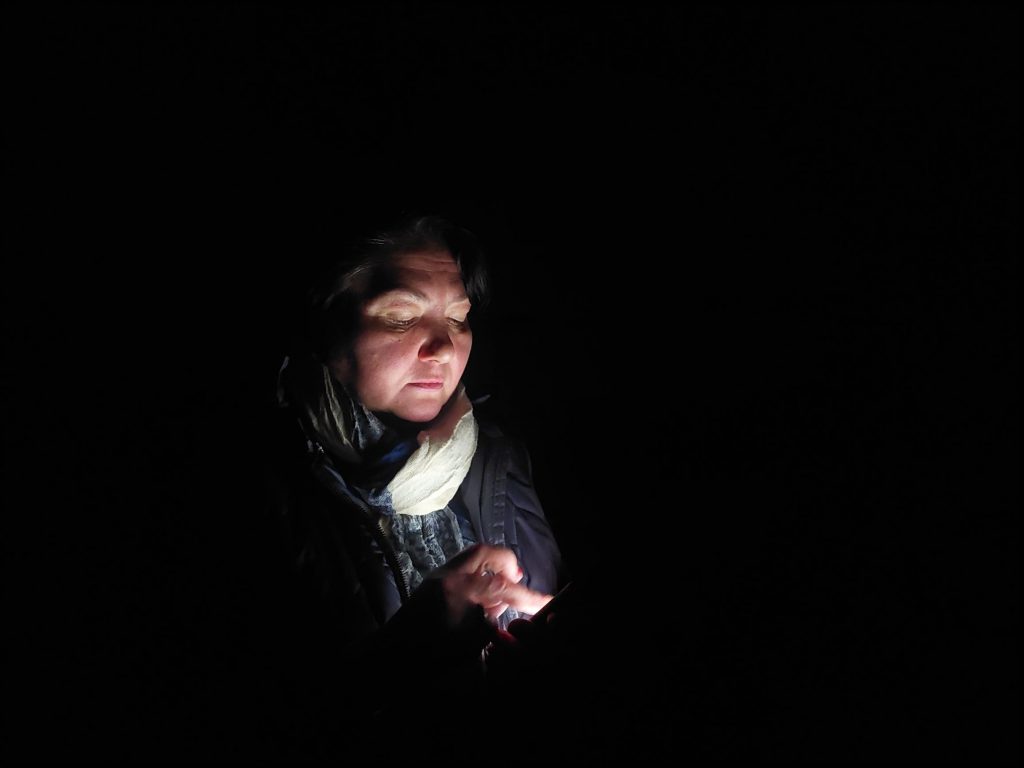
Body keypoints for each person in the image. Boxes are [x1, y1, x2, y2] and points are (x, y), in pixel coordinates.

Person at [262, 212, 570, 759]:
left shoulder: (501, 455)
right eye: (402, 317)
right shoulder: (276, 483)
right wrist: (404, 655)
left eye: (458, 318)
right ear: (326, 325)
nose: (444, 348)